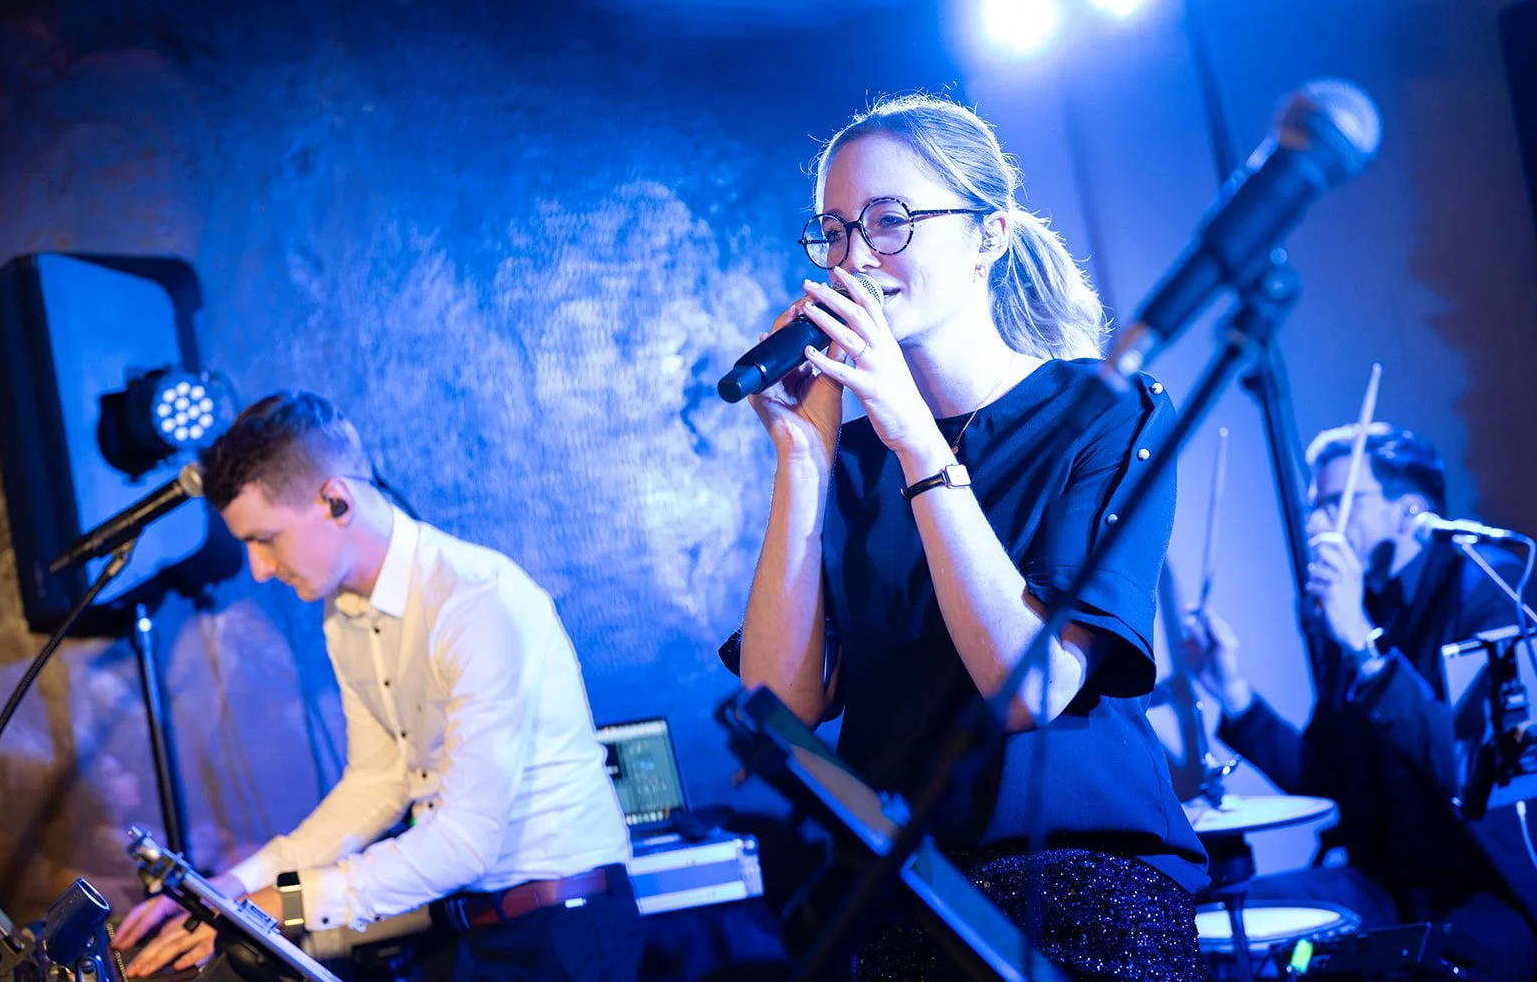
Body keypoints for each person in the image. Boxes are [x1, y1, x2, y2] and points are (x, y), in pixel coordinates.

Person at [736, 93, 1210, 981]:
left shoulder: (1103, 414)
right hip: (906, 896)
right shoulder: (850, 451)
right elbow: (782, 711)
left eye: (889, 222)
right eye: (833, 231)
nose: (854, 258)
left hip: (1084, 894)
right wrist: (803, 455)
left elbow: (1029, 686)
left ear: (988, 235)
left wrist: (913, 433)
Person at [113, 391, 641, 982]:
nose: (258, 569)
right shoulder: (344, 615)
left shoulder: (476, 599)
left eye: (266, 538)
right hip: (468, 927)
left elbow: (465, 842)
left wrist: (280, 903)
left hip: (564, 931)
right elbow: (378, 782)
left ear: (335, 500)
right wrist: (232, 887)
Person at [1180, 422, 1537, 982]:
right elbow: (1324, 780)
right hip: (1383, 880)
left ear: (1410, 511)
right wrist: (1233, 693)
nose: (1317, 522)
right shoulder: (1353, 611)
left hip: (1492, 884)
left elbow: (1478, 773)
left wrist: (1366, 648)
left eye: (1338, 502)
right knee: (1211, 923)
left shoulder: (1490, 591)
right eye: (1314, 505)